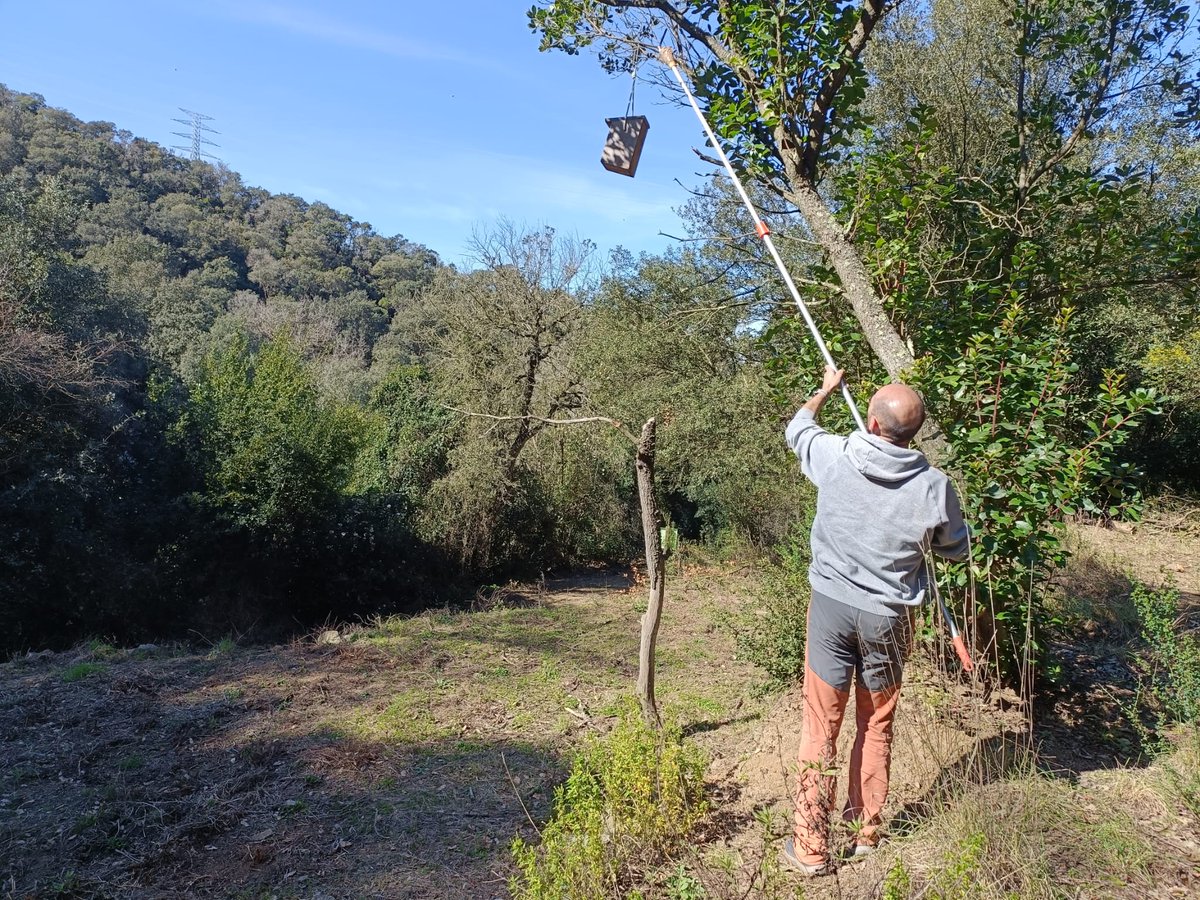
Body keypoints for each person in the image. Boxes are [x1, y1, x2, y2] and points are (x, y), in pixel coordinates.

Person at [780, 365, 969, 876]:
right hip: (890, 618)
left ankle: (811, 848)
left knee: (822, 725)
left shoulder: (838, 456)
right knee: (876, 723)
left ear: (871, 421)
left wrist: (822, 391)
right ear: (916, 432)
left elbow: (797, 430)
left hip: (830, 609)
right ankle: (865, 833)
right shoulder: (935, 486)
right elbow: (955, 550)